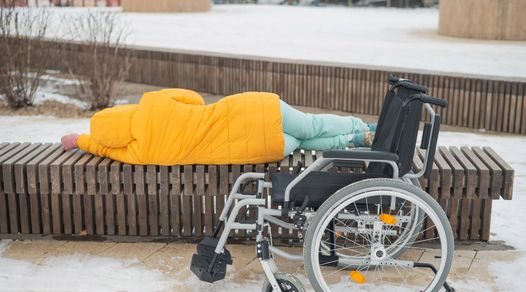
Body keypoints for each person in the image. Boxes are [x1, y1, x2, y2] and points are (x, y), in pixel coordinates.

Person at [61, 89, 375, 165]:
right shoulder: (151, 101)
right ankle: (362, 127)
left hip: (259, 147)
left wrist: (80, 141)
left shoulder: (141, 152)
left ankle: (354, 139)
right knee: (312, 124)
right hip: (251, 109)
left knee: (303, 142)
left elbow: (103, 149)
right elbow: (194, 99)